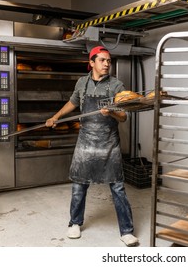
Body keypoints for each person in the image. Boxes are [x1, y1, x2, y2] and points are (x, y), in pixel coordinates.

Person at [45, 45, 139, 247]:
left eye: (109, 61)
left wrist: (112, 112)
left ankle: (127, 230)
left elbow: (124, 117)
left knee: (118, 188)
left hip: (109, 144)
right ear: (92, 63)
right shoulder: (82, 83)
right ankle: (74, 223)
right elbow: (72, 103)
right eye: (102, 60)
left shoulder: (116, 86)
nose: (107, 64)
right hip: (86, 143)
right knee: (79, 185)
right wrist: (56, 117)